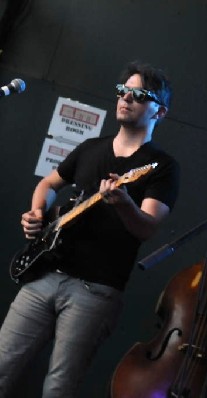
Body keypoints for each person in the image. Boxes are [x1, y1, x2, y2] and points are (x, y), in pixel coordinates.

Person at [0, 61, 180, 397]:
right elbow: (48, 184)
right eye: (122, 91)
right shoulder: (90, 148)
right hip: (44, 276)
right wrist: (37, 212)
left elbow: (148, 228)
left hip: (95, 291)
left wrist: (123, 202)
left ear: (161, 111)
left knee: (59, 388)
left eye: (139, 94)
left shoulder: (162, 167)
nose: (126, 98)